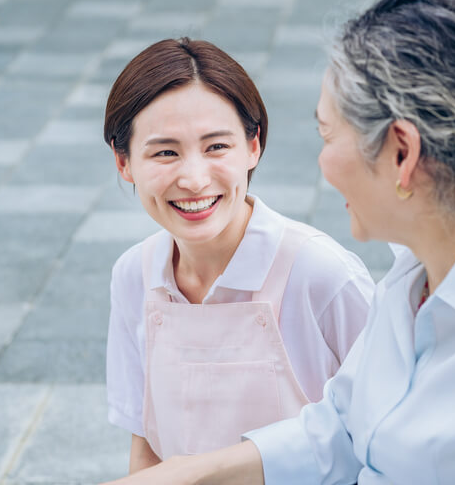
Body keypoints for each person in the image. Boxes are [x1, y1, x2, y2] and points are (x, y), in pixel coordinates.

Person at [101, 0, 455, 485]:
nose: (322, 165)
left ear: (401, 152)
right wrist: (186, 475)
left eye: (327, 134)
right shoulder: (409, 283)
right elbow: (339, 430)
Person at [102, 38, 374, 472]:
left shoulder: (323, 273)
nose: (193, 179)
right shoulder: (133, 275)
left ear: (253, 146)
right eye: (165, 152)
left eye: (216, 147)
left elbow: (391, 434)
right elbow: (147, 449)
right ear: (124, 162)